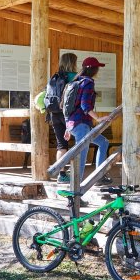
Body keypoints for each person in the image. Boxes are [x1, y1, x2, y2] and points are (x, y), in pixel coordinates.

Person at [67, 56, 111, 185]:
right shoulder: (88, 83)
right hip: (81, 125)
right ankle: (75, 194)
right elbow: (85, 105)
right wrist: (98, 118)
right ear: (94, 69)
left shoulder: (75, 81)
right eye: (98, 68)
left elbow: (66, 106)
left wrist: (67, 127)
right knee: (81, 159)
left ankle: (98, 175)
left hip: (74, 124)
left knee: (103, 142)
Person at [52, 53, 78, 183]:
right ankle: (78, 174)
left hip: (54, 114)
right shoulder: (73, 77)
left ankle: (61, 175)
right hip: (67, 114)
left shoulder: (55, 77)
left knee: (61, 145)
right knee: (80, 141)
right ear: (73, 62)